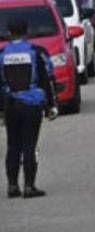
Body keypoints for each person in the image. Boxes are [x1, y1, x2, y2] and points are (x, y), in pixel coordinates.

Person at [1, 18, 58, 198]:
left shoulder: (2, 54)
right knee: (29, 145)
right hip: (32, 104)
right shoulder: (36, 52)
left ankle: (12, 186)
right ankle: (29, 186)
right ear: (27, 31)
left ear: (9, 33)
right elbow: (47, 78)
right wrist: (51, 105)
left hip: (11, 104)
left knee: (13, 145)